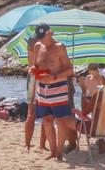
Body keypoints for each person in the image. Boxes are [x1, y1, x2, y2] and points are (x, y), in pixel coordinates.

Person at [29, 26, 75, 160]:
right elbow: (34, 65)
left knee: (61, 121)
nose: (41, 41)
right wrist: (33, 69)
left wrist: (54, 77)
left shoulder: (60, 47)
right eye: (40, 38)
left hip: (58, 87)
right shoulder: (38, 46)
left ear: (50, 34)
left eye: (43, 38)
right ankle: (53, 152)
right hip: (42, 89)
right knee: (47, 120)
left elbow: (69, 70)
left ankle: (60, 153)